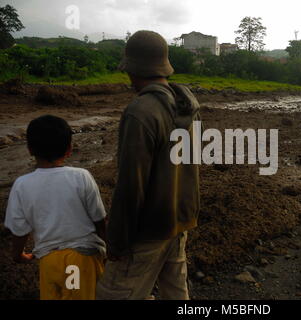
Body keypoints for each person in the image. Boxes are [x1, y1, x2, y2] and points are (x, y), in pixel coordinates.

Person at [96, 30, 200, 300]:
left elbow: (131, 186)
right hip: (178, 223)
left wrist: (117, 242)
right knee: (176, 294)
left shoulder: (141, 112)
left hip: (148, 232)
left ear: (131, 68)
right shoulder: (187, 106)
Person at [4, 115, 107, 300]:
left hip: (49, 261)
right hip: (80, 260)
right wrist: (110, 248)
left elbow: (19, 231)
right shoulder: (81, 176)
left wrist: (18, 255)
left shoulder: (21, 185)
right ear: (69, 149)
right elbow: (99, 220)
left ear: (29, 150)